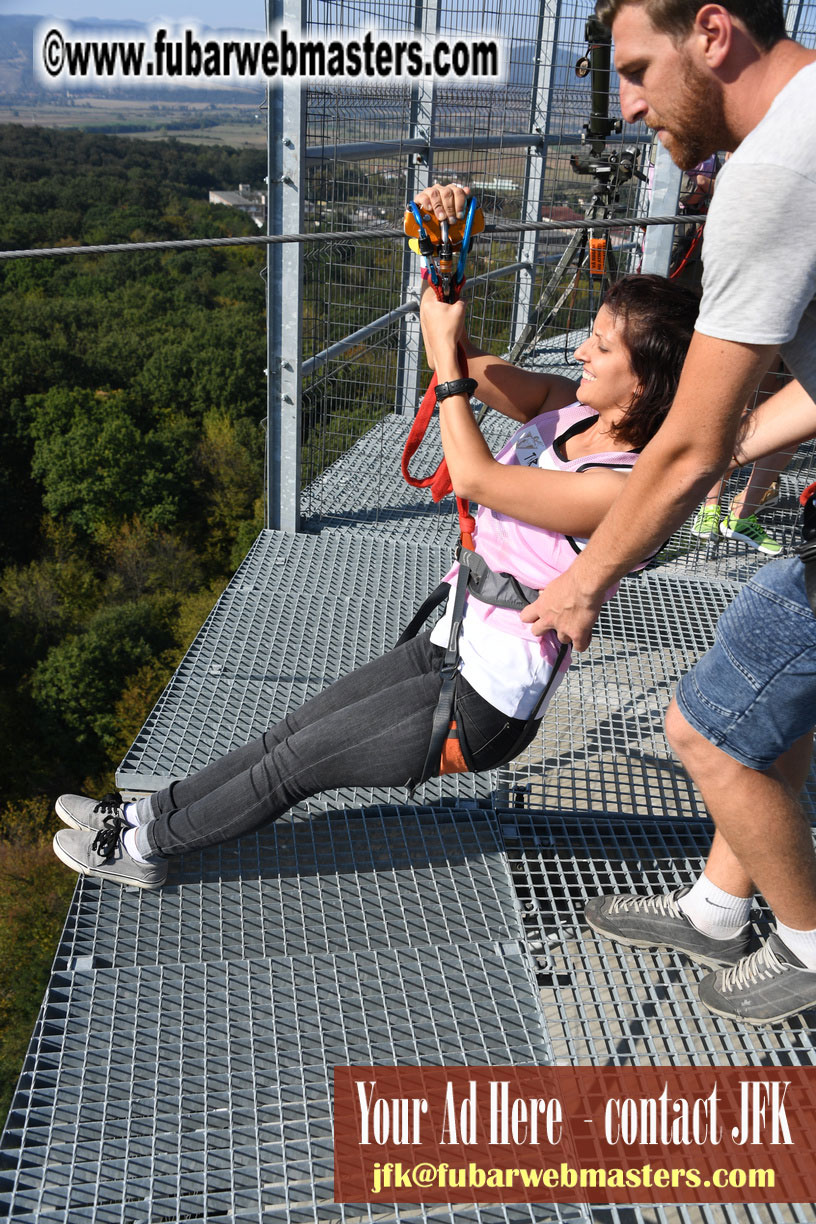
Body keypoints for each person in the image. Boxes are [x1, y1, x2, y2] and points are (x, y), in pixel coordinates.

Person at [51, 267, 699, 891]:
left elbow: (474, 473)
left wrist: (449, 363)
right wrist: (444, 276)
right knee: (287, 734)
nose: (582, 351)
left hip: (488, 698)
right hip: (451, 637)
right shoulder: (568, 408)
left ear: (642, 385)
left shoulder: (621, 489)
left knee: (294, 766)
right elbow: (466, 365)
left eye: (602, 345)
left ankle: (140, 852)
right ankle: (145, 813)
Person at [503, 0, 816, 1025]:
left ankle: (808, 947)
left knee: (707, 727)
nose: (629, 105)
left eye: (638, 68)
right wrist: (758, 443)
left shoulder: (772, 171)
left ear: (713, 34)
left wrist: (584, 579)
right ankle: (722, 907)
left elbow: (679, 444)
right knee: (772, 705)